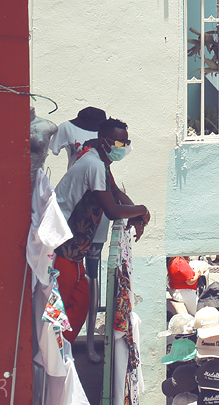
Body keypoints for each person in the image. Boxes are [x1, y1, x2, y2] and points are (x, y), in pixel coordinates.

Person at [53, 117, 149, 341]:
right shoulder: (93, 164)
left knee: (81, 300)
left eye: (126, 142)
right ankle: (54, 364)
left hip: (74, 253)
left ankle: (62, 358)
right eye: (119, 143)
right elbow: (112, 210)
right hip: (61, 250)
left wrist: (137, 215)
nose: (123, 148)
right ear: (104, 141)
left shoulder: (99, 161)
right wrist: (141, 209)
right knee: (59, 313)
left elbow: (115, 193)